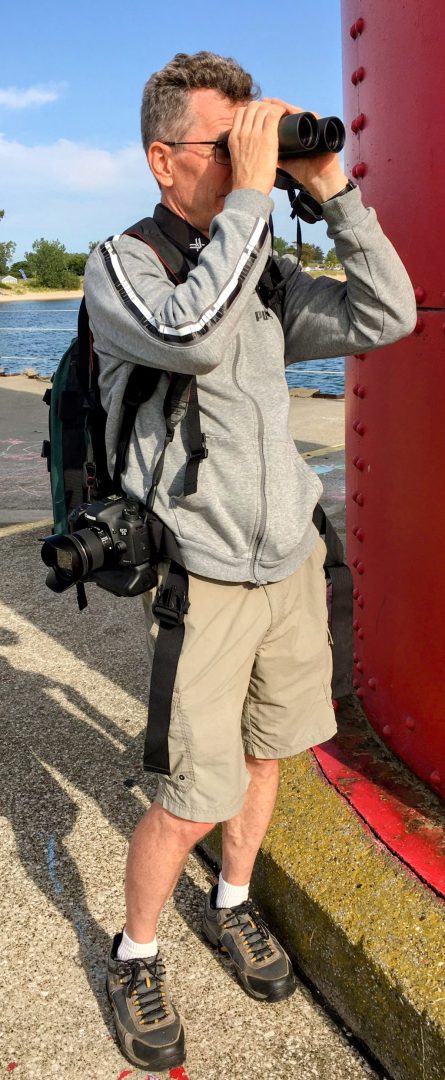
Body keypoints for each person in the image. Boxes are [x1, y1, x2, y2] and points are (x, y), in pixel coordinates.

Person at [84, 51, 416, 1071]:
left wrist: (335, 193)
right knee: (190, 794)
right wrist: (254, 199)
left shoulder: (262, 267)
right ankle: (134, 951)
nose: (243, 167)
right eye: (223, 149)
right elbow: (186, 335)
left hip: (286, 572)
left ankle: (232, 903)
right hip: (204, 583)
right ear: (160, 158)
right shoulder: (121, 267)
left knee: (268, 760)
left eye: (250, 145)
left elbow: (387, 316)